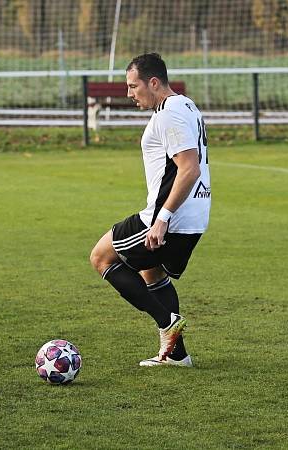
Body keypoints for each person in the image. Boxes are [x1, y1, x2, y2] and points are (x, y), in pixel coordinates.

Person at [89, 53, 210, 368]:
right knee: (151, 273)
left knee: (101, 257)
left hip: (169, 217)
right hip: (193, 216)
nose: (130, 94)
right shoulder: (187, 106)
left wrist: (162, 219)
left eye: (134, 86)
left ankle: (166, 322)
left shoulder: (170, 114)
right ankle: (176, 354)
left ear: (153, 82)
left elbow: (189, 169)